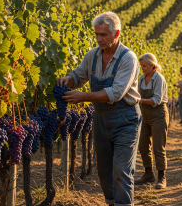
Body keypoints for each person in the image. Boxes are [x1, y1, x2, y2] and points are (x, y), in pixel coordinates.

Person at [58, 12, 141, 206]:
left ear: (117, 33)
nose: (99, 39)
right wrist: (68, 80)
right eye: (96, 34)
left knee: (121, 170)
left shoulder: (128, 58)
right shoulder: (93, 55)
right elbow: (79, 75)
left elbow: (116, 93)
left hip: (126, 120)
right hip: (101, 120)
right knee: (104, 172)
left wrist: (83, 97)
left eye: (103, 35)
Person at [135, 53, 169, 189]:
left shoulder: (159, 79)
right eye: (141, 65)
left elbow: (157, 99)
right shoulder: (142, 79)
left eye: (144, 66)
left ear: (153, 65)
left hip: (158, 114)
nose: (142, 68)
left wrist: (140, 100)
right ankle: (148, 174)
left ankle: (162, 177)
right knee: (143, 146)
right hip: (144, 115)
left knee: (158, 147)